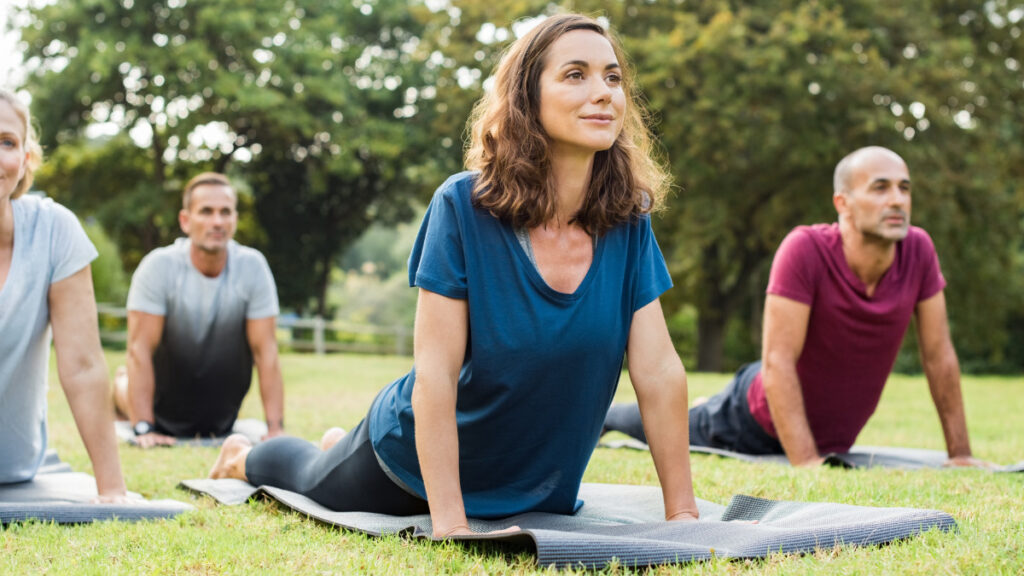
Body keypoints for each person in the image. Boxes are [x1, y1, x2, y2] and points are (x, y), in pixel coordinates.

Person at [210, 13, 699, 537]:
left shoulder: (627, 221)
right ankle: (242, 456)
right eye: (575, 74)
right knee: (307, 475)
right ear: (526, 99)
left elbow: (658, 371)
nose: (603, 92)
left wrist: (684, 515)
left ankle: (335, 441)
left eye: (613, 77)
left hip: (534, 483)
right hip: (409, 469)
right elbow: (436, 375)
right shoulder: (463, 206)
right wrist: (450, 523)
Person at [604, 146, 989, 468]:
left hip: (827, 432)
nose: (897, 200)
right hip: (751, 419)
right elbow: (778, 362)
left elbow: (940, 356)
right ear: (843, 202)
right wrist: (807, 463)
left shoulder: (918, 250)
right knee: (671, 424)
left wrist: (961, 455)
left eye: (904, 188)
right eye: (880, 188)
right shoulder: (805, 249)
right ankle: (607, 416)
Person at [0, 88, 128, 500]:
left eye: (7, 142)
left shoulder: (54, 230)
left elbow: (84, 366)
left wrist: (112, 490)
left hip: (12, 466)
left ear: (25, 160)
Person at [114, 172, 285, 448]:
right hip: (160, 405)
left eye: (225, 212)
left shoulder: (253, 267)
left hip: (219, 416)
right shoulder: (158, 267)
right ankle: (121, 386)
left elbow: (266, 351)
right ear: (185, 220)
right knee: (126, 384)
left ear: (235, 219)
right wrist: (144, 427)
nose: (217, 221)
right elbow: (140, 349)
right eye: (206, 211)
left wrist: (275, 428)